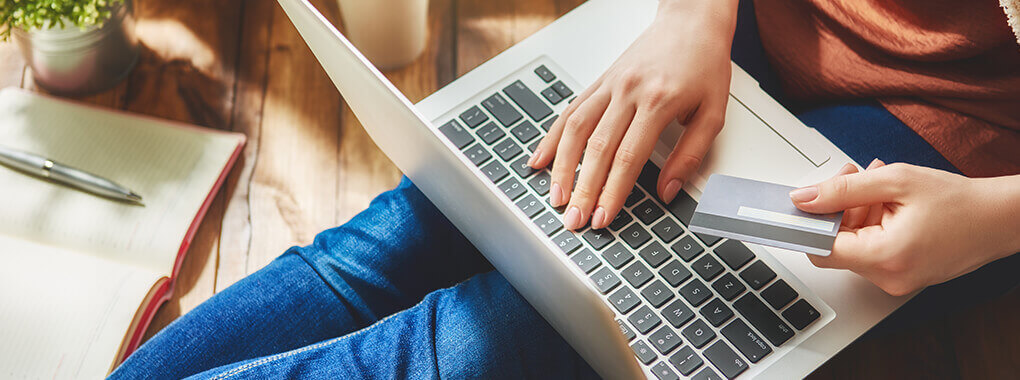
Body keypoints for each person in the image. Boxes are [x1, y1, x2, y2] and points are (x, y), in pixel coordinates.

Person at [109, 0, 1019, 378]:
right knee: (388, 246)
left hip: (954, 149)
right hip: (736, 33)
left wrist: (990, 220)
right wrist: (691, 16)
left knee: (475, 340)